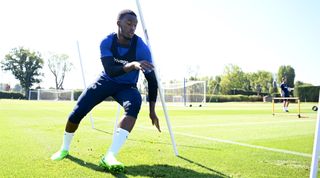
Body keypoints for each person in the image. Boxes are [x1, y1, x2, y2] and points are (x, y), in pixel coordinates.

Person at [50, 9, 161, 174]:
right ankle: (64, 148)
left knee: (135, 103)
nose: (132, 28)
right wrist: (132, 65)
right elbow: (111, 71)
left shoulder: (141, 48)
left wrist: (152, 111)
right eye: (129, 23)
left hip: (126, 87)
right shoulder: (107, 42)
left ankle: (110, 155)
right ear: (119, 24)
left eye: (135, 25)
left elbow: (152, 81)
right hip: (106, 81)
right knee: (77, 111)